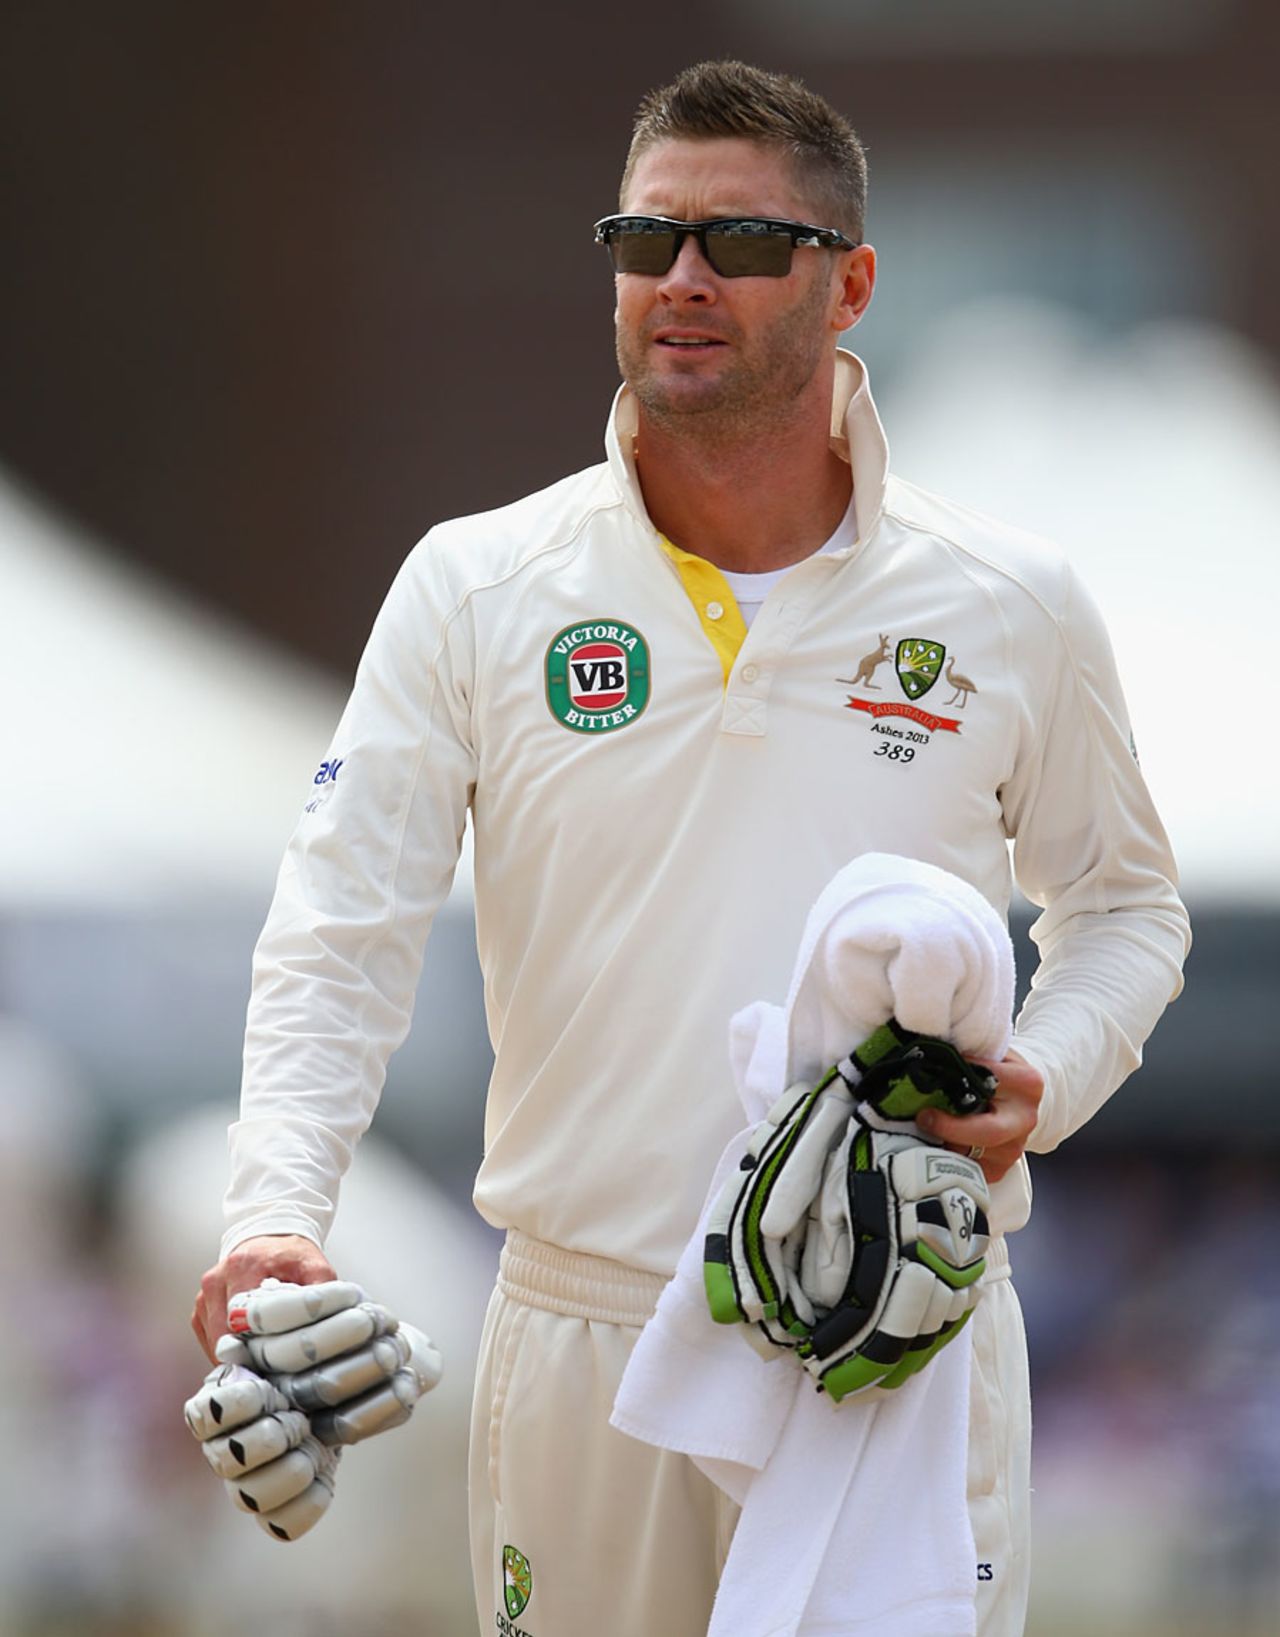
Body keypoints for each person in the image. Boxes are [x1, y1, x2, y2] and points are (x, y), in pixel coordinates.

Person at [192, 60, 1190, 1636]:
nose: (683, 282)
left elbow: (1128, 909)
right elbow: (340, 929)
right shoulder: (478, 583)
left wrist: (1041, 1082)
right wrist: (273, 1217)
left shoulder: (1009, 600)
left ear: (849, 281)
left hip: (892, 1324)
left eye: (739, 244)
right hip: (587, 1323)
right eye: (647, 243)